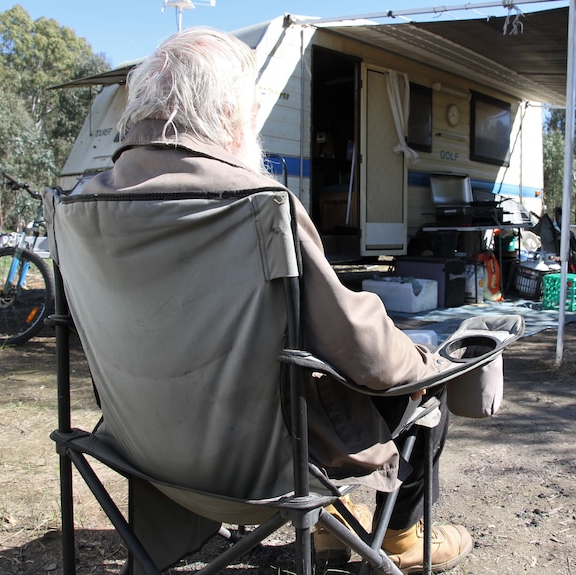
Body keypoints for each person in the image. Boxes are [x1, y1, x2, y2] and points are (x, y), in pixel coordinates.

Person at [67, 26, 474, 573]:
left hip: (142, 451)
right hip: (264, 471)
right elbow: (366, 354)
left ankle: (335, 534)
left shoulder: (80, 204)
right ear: (229, 115)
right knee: (427, 391)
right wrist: (429, 361)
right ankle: (398, 537)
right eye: (251, 107)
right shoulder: (255, 203)